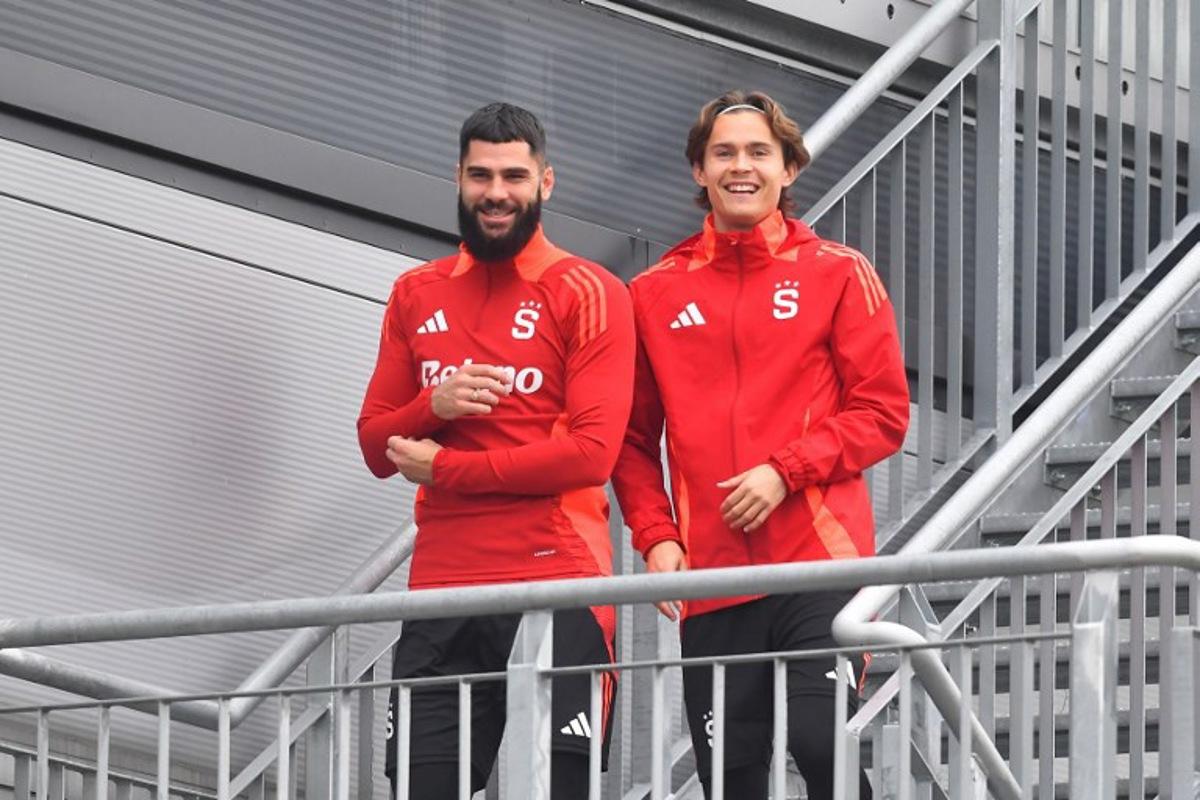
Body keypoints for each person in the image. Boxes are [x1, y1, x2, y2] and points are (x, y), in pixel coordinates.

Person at [611, 90, 908, 799]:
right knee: (731, 778)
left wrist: (786, 470)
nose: (740, 166)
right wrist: (656, 536)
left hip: (819, 565)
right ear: (699, 171)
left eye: (757, 152)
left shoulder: (838, 270)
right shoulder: (650, 292)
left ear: (788, 168)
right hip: (711, 579)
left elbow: (884, 411)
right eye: (723, 153)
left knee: (820, 742)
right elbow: (628, 440)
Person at [357, 102, 635, 799]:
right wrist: (435, 405)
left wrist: (446, 466)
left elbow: (591, 455)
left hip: (558, 580)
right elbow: (374, 443)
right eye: (481, 175)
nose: (496, 192)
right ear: (458, 178)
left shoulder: (589, 290)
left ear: (546, 182)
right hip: (441, 590)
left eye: (514, 176)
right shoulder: (415, 292)